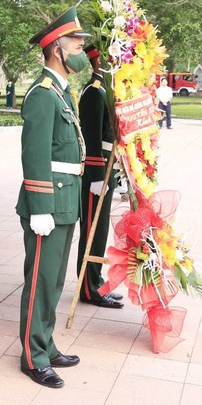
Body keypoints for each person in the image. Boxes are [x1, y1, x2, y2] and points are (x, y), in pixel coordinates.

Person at [16, 7, 90, 388]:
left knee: (55, 281)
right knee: (40, 281)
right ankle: (33, 356)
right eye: (76, 42)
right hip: (49, 203)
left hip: (66, 199)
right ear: (57, 49)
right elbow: (35, 155)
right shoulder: (43, 95)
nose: (81, 48)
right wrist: (40, 207)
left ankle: (45, 342)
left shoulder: (62, 92)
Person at [76, 45, 124, 309]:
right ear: (98, 63)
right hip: (98, 170)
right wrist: (95, 174)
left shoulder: (104, 90)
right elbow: (92, 137)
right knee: (92, 232)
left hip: (107, 167)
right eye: (111, 60)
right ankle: (88, 288)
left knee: (101, 229)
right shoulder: (94, 93)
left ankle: (95, 280)